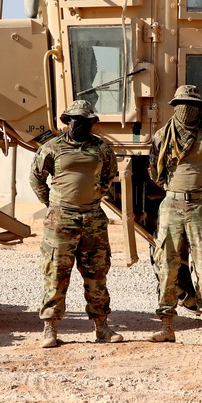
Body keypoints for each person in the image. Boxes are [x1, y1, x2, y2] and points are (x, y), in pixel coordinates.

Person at [30, 100, 121, 348]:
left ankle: (101, 327)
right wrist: (53, 204)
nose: (80, 124)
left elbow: (109, 175)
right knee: (56, 274)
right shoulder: (52, 148)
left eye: (86, 121)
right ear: (67, 121)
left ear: (92, 123)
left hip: (93, 220)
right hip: (61, 221)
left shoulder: (101, 148)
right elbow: (36, 177)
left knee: (97, 274)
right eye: (76, 120)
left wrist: (94, 195)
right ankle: (50, 328)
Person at [146, 85, 202, 347]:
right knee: (167, 267)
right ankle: (166, 326)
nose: (186, 110)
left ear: (199, 107)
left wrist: (201, 196)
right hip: (171, 206)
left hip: (200, 207)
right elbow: (155, 172)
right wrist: (175, 192)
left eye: (190, 104)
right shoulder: (163, 136)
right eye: (181, 104)